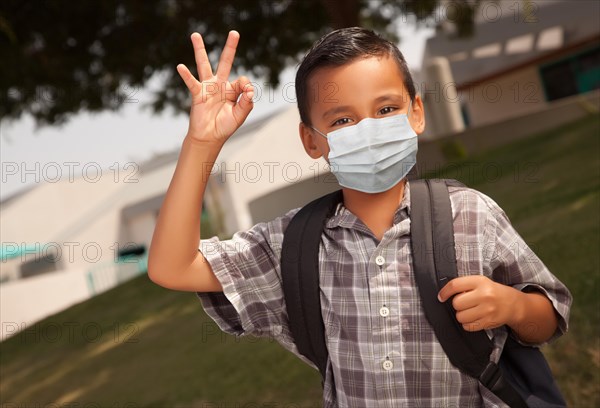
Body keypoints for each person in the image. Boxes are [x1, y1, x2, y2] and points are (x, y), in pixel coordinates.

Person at [148, 27, 572, 407]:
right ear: (311, 141)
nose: (368, 130)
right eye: (343, 120)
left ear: (416, 112)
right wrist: (202, 144)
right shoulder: (292, 247)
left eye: (386, 109)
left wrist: (513, 306)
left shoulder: (472, 214)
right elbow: (173, 266)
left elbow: (550, 317)